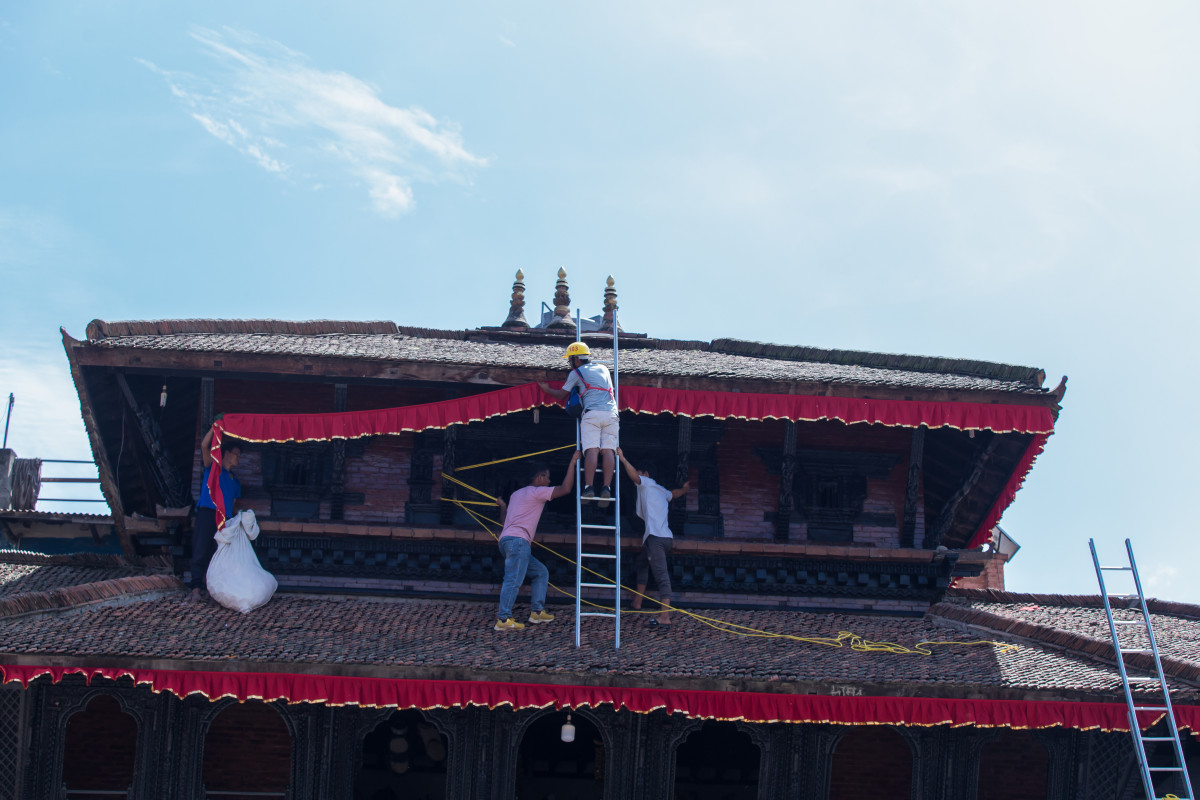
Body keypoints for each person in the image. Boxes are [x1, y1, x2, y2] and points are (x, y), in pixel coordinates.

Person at [494, 451, 581, 631]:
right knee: (513, 580)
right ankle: (503, 619)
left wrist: (502, 507)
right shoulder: (536, 492)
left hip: (507, 541)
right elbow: (565, 489)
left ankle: (537, 612)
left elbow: (505, 523)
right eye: (548, 477)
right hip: (518, 542)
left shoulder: (516, 494)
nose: (549, 481)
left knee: (540, 572)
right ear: (540, 477)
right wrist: (572, 462)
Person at [538, 342, 619, 506]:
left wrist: (546, 389)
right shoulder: (604, 368)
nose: (569, 363)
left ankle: (589, 487)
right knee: (608, 450)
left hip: (592, 414)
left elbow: (561, 394)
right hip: (611, 414)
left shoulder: (576, 372)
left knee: (592, 449)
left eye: (570, 360)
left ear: (576, 359)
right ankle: (606, 487)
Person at [616, 448, 689, 627]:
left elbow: (634, 476)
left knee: (661, 575)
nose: (637, 479)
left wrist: (623, 459)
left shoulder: (646, 483)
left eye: (640, 474)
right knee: (643, 562)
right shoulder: (662, 490)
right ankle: (637, 602)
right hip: (664, 538)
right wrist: (685, 489)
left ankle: (665, 617)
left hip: (656, 538)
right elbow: (676, 494)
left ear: (646, 474)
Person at [190, 421, 243, 601]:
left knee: (218, 554)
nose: (238, 458)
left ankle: (213, 589)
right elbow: (205, 445)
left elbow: (233, 504)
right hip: (208, 512)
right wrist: (215, 427)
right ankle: (196, 587)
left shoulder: (235, 481)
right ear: (226, 453)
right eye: (236, 454)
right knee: (201, 549)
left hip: (225, 519)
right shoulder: (213, 468)